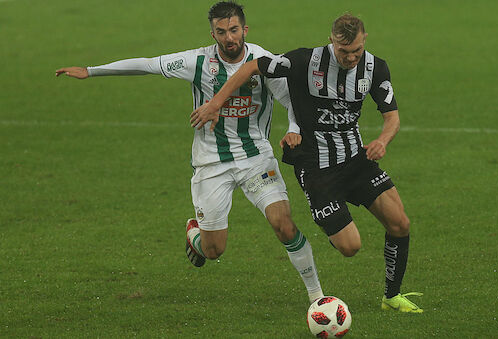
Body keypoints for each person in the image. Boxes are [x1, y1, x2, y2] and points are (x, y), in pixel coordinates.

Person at [55, 1, 324, 303]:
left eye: (234, 30)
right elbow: (147, 64)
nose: (229, 38)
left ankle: (317, 298)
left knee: (283, 224)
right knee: (213, 250)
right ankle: (196, 233)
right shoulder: (196, 62)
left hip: (255, 157)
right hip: (211, 163)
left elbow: (294, 102)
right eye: (221, 32)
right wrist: (90, 71)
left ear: (245, 29)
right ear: (212, 34)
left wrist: (294, 129)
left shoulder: (263, 60)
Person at [191, 13, 423, 313]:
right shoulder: (303, 61)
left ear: (364, 40)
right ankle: (329, 219)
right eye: (344, 52)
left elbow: (392, 117)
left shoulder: (375, 67)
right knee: (350, 248)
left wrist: (382, 141)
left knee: (400, 223)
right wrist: (215, 103)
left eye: (356, 51)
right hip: (316, 168)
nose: (351, 57)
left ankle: (392, 297)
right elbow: (252, 67)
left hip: (356, 160)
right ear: (332, 41)